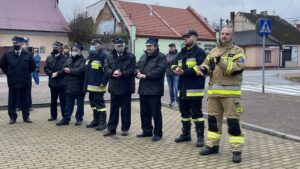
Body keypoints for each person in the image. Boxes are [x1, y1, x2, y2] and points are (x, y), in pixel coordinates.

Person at [198, 25, 246, 163]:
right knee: (213, 122)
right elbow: (207, 65)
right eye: (223, 33)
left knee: (233, 123)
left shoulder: (239, 52)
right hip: (213, 95)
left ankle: (236, 151)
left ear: (232, 36)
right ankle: (212, 146)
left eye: (227, 34)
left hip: (230, 96)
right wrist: (203, 69)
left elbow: (236, 69)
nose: (224, 36)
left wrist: (220, 61)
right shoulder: (214, 51)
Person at [172, 30, 207, 147]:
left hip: (194, 90)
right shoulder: (181, 52)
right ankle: (186, 134)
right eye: (184, 37)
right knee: (184, 114)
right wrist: (176, 68)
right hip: (182, 89)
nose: (185, 38)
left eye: (188, 36)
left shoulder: (200, 52)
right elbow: (173, 63)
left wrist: (184, 72)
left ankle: (200, 137)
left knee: (197, 115)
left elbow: (201, 69)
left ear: (196, 38)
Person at [135, 37, 167, 141]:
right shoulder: (144, 56)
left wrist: (145, 76)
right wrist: (137, 73)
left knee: (155, 113)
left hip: (154, 90)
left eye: (150, 46)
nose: (148, 48)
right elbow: (136, 66)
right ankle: (147, 131)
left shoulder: (161, 57)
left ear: (156, 46)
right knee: (144, 112)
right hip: (143, 89)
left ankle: (158, 133)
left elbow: (159, 71)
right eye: (147, 46)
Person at [103, 38, 136, 136]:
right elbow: (105, 68)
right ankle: (111, 129)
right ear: (114, 46)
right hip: (114, 87)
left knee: (126, 110)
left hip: (126, 87)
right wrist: (112, 72)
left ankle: (125, 129)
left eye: (121, 45)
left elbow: (133, 70)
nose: (119, 47)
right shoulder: (110, 56)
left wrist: (122, 73)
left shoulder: (131, 56)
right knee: (113, 110)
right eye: (118, 46)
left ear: (124, 46)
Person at [0, 36, 35, 124]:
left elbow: (32, 67)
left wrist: (25, 74)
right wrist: (9, 73)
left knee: (25, 100)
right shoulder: (8, 54)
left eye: (17, 43)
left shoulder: (27, 54)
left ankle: (26, 117)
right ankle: (12, 117)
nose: (15, 45)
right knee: (12, 100)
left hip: (24, 81)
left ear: (21, 43)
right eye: (14, 43)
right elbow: (3, 65)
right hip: (13, 81)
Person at [56, 43, 85, 126]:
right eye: (73, 50)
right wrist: (63, 70)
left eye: (76, 50)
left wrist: (70, 71)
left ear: (80, 51)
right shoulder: (69, 59)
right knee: (68, 105)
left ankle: (79, 119)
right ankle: (66, 119)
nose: (74, 51)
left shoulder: (82, 60)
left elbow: (80, 71)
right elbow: (63, 68)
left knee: (80, 105)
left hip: (79, 87)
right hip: (69, 86)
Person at [84, 39, 109, 131]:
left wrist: (104, 82)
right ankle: (96, 120)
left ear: (100, 45)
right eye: (92, 44)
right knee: (93, 104)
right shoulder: (91, 55)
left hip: (98, 86)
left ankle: (103, 122)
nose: (93, 46)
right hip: (90, 85)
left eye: (95, 44)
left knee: (100, 104)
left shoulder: (103, 55)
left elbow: (106, 70)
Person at [44, 41, 68, 121]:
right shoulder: (49, 57)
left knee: (63, 101)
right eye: (54, 47)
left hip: (62, 83)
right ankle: (53, 115)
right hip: (52, 83)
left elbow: (65, 69)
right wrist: (51, 73)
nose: (55, 48)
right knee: (53, 101)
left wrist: (58, 73)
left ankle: (64, 116)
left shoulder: (65, 58)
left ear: (61, 49)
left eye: (56, 47)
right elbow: (46, 68)